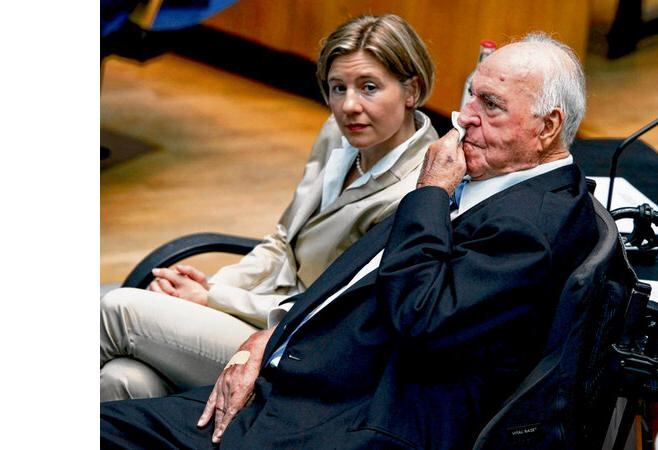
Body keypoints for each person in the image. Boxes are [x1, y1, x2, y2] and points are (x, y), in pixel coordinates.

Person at [101, 32, 599, 449]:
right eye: (470, 94)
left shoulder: (528, 222)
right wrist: (265, 340)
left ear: (548, 127)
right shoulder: (484, 176)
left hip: (335, 416)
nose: (464, 116)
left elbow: (421, 316)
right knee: (126, 383)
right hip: (301, 365)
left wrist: (429, 193)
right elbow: (346, 275)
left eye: (490, 104)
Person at [100, 14, 438, 401]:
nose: (348, 106)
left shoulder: (415, 190)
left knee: (117, 308)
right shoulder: (338, 134)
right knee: (125, 379)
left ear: (411, 90)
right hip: (262, 307)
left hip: (304, 341)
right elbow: (283, 240)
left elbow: (334, 308)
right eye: (337, 87)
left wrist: (211, 299)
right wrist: (211, 286)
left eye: (369, 88)